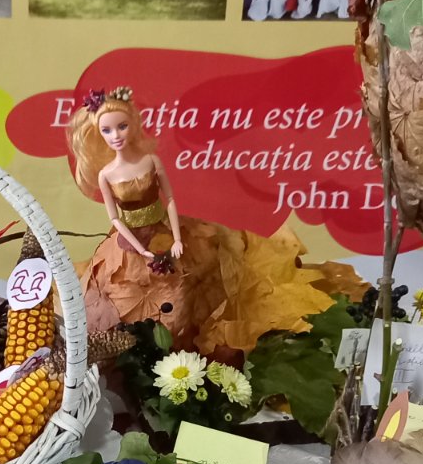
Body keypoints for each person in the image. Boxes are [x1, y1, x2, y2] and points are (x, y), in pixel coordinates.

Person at [69, 87, 363, 361]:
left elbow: (169, 200)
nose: (116, 135)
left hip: (168, 232)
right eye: (107, 130)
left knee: (192, 287)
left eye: (121, 126)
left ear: (133, 124)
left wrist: (176, 237)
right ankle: (141, 357)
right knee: (122, 297)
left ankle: (188, 352)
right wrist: (140, 249)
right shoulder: (106, 175)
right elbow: (115, 218)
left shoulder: (151, 162)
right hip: (129, 245)